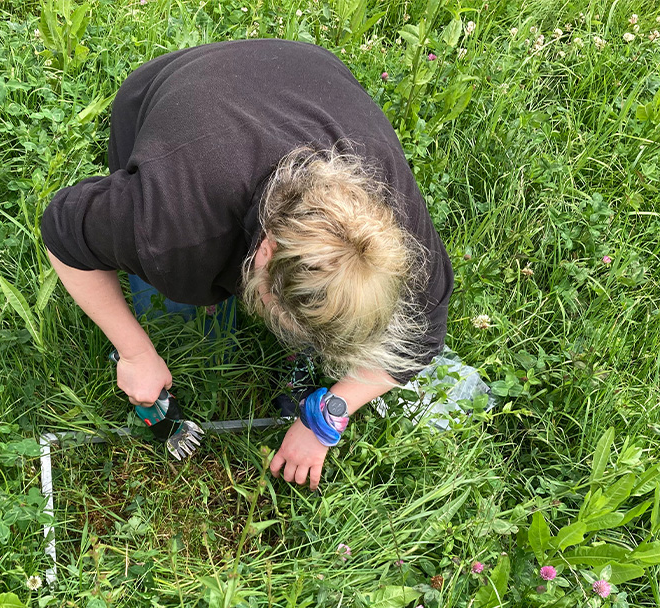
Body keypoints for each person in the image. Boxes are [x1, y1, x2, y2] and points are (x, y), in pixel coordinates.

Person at [41, 39, 452, 491]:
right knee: (178, 308)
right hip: (172, 93)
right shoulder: (169, 224)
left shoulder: (396, 238)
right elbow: (62, 232)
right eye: (284, 318)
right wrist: (136, 353)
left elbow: (423, 339)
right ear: (266, 252)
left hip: (304, 70)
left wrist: (325, 417)